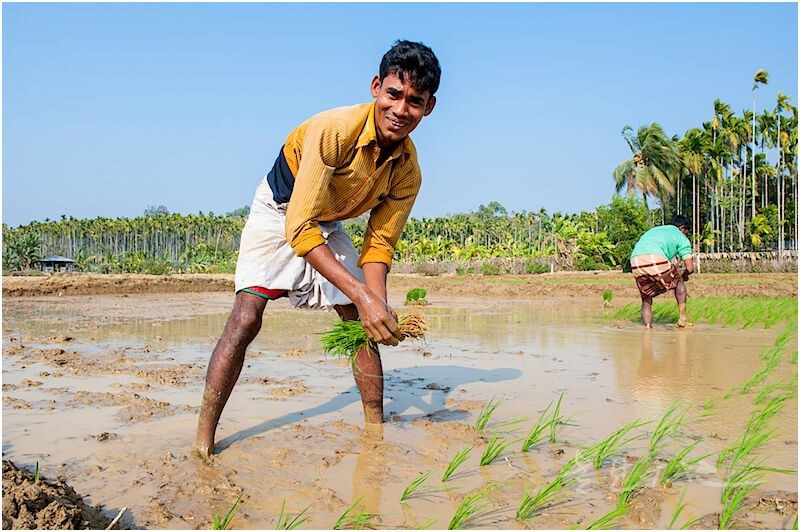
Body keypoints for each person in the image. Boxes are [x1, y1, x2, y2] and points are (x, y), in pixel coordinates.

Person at [195, 40, 441, 456]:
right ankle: (203, 440)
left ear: (428, 107)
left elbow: (379, 243)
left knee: (357, 321)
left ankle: (374, 432)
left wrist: (376, 304)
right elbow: (299, 227)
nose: (400, 110)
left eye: (414, 102)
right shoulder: (334, 130)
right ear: (376, 87)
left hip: (326, 218)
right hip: (281, 210)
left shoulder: (408, 171)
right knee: (245, 318)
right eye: (394, 95)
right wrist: (362, 293)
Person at [629, 214, 694, 328]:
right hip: (654, 257)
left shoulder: (655, 230)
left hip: (635, 261)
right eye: (686, 232)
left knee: (646, 296)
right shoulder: (680, 236)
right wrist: (684, 275)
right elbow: (690, 268)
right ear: (682, 228)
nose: (685, 234)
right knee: (679, 282)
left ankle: (647, 327)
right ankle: (682, 319)